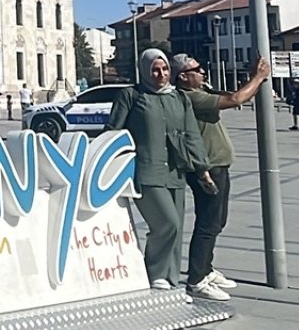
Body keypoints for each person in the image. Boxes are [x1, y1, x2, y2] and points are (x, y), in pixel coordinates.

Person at [105, 48, 215, 291]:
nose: (161, 74)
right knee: (168, 224)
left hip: (175, 171)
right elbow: (113, 131)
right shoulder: (132, 95)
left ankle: (171, 278)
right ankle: (153, 271)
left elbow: (191, 135)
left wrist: (202, 169)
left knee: (176, 230)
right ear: (144, 70)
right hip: (146, 170)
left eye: (164, 69)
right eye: (155, 70)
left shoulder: (180, 98)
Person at [171, 53, 270, 301]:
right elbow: (236, 98)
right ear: (183, 76)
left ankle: (206, 268)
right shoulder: (190, 97)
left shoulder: (201, 89)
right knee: (208, 222)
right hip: (207, 168)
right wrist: (259, 77)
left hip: (218, 165)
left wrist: (251, 77)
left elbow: (232, 94)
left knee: (218, 220)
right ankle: (196, 279)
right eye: (198, 69)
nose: (203, 72)